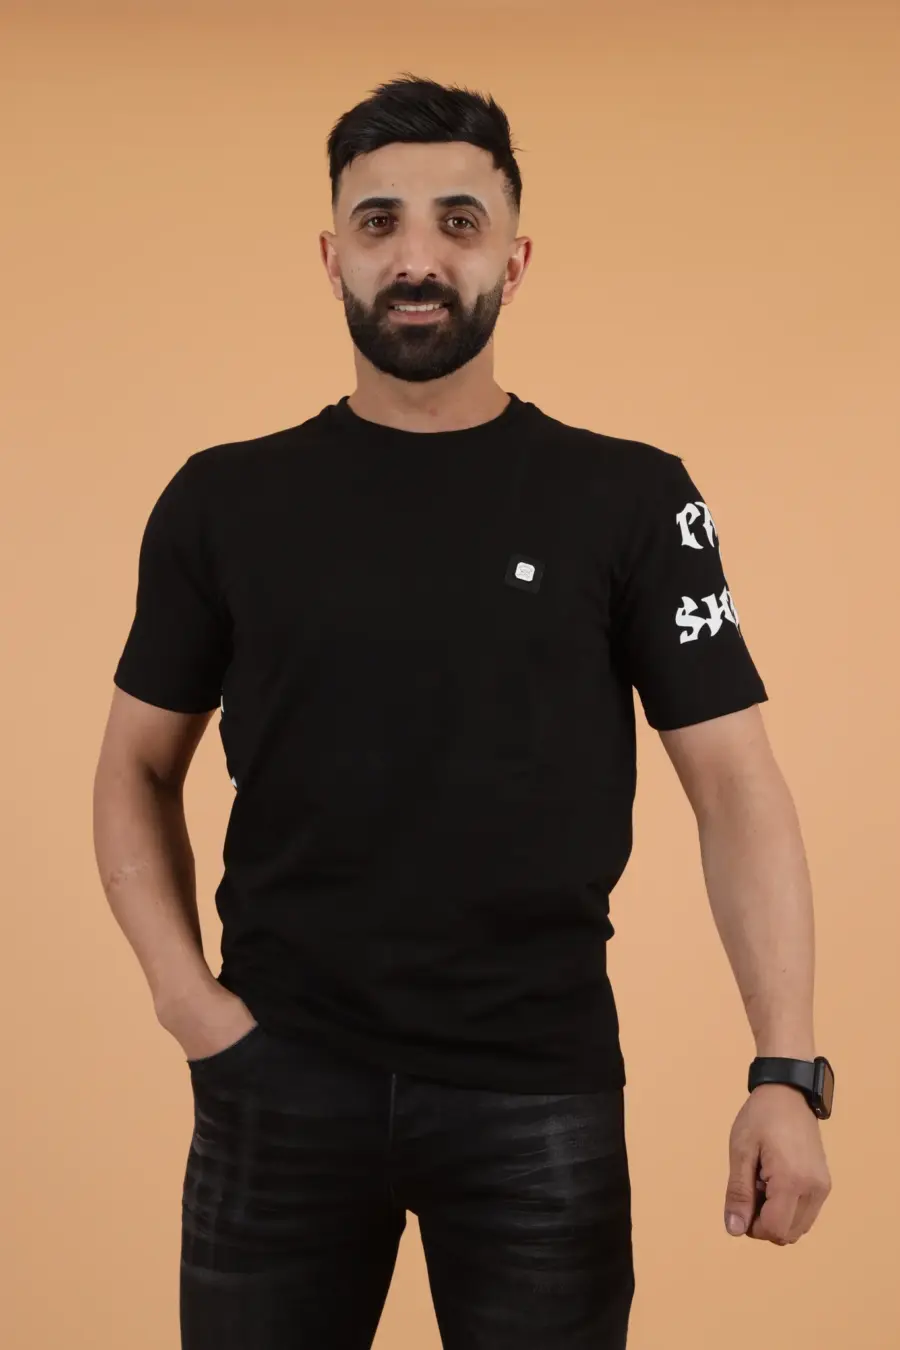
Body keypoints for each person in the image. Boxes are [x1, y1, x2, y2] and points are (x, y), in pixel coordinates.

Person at [93, 74, 833, 1349]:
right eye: (379, 222)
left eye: (459, 221)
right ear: (332, 257)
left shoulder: (630, 499)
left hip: (538, 1093)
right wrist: (188, 1006)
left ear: (515, 259)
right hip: (276, 1083)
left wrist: (786, 1069)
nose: (418, 257)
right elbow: (133, 769)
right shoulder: (223, 501)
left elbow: (736, 786)